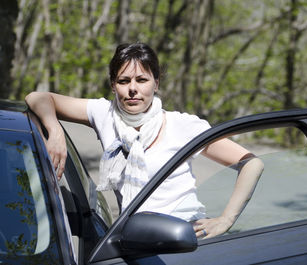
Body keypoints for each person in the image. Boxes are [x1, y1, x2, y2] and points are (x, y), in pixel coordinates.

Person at [25, 42, 264, 239]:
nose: (132, 89)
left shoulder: (182, 125)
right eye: (123, 80)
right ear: (112, 85)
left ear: (156, 83)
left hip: (185, 236)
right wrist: (54, 129)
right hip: (133, 238)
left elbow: (252, 163)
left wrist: (226, 220)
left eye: (142, 80)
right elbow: (38, 97)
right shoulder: (104, 114)